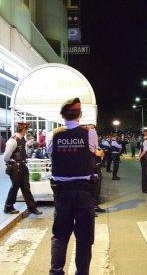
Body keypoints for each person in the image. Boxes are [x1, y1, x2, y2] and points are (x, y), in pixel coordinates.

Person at [47, 97, 103, 275]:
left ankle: (56, 271)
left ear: (62, 116)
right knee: (84, 238)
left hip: (62, 193)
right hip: (83, 192)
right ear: (80, 114)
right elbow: (94, 153)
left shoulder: (53, 135)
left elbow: (51, 156)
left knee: (60, 235)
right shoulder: (89, 133)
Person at [3, 122, 42, 215]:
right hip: (16, 166)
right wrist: (11, 163)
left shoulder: (20, 139)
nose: (26, 132)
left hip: (22, 165)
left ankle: (32, 207)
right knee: (15, 187)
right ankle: (8, 207)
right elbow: (6, 156)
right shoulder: (13, 140)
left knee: (25, 187)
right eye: (26, 130)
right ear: (23, 130)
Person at [137, 128, 147, 194]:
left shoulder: (143, 140)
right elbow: (145, 151)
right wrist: (139, 157)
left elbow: (141, 150)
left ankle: (145, 188)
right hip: (146, 159)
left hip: (144, 159)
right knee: (146, 175)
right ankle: (145, 189)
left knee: (145, 174)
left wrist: (139, 156)